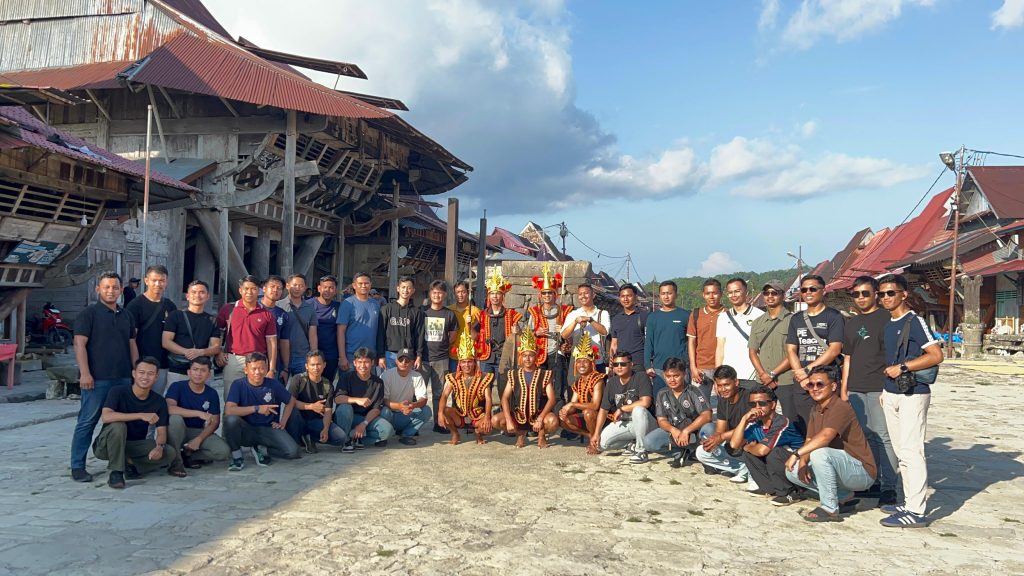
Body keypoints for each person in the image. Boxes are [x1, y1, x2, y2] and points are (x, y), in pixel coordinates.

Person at [878, 273, 943, 528]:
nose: (885, 298)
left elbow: (936, 355)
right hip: (892, 393)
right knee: (901, 452)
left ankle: (916, 511)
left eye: (890, 293)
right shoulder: (889, 324)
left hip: (913, 394)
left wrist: (904, 367)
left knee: (911, 451)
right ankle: (908, 502)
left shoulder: (914, 321)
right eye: (882, 294)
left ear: (903, 294)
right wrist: (885, 391)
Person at [784, 366, 877, 522]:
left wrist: (796, 454)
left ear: (833, 386)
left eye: (820, 384)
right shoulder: (816, 409)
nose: (814, 388)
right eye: (810, 384)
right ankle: (842, 496)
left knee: (819, 453)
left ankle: (830, 508)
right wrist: (803, 463)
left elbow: (826, 437)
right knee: (792, 470)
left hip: (861, 471)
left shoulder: (840, 407)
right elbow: (810, 440)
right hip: (839, 466)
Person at [70, 271, 138, 483]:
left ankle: (124, 463)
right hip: (97, 379)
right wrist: (85, 373)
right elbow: (79, 344)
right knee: (87, 422)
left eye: (115, 287)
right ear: (98, 289)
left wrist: (136, 371)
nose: (111, 291)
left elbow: (132, 344)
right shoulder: (88, 314)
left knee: (124, 423)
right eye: (106, 287)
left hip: (124, 378)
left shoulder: (126, 315)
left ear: (121, 290)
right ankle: (77, 466)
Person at [841, 275, 899, 507]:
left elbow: (893, 355)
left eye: (865, 293)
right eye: (856, 294)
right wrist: (844, 389)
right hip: (856, 388)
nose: (861, 298)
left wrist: (888, 388)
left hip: (879, 387)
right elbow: (847, 358)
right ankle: (872, 480)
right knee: (866, 436)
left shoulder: (887, 318)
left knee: (884, 436)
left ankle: (889, 487)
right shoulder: (851, 323)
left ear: (876, 294)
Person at [93, 357, 185, 488]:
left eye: (150, 374)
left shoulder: (159, 401)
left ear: (156, 377)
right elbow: (106, 417)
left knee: (169, 453)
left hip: (134, 446)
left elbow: (161, 432)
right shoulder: (118, 391)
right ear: (134, 373)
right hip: (106, 446)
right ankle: (116, 472)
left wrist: (159, 447)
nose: (145, 377)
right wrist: (140, 415)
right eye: (141, 372)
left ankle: (129, 463)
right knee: (118, 425)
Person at [785, 275, 844, 434]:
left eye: (813, 289)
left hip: (826, 379)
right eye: (804, 290)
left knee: (828, 425)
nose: (808, 293)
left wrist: (807, 370)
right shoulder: (796, 319)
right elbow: (791, 350)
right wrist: (801, 376)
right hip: (802, 381)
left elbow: (834, 349)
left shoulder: (834, 316)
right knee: (806, 425)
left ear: (823, 291)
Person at [223, 352, 299, 470]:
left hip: (268, 428)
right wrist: (257, 408)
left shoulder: (273, 384)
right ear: (246, 370)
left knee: (292, 451)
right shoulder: (238, 384)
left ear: (267, 369)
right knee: (230, 419)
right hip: (247, 429)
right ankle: (237, 457)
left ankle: (261, 449)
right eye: (254, 369)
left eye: (261, 368)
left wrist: (283, 422)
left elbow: (291, 401)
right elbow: (229, 410)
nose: (258, 372)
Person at [727, 385, 804, 496]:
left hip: (799, 466)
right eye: (752, 404)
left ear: (773, 404)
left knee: (774, 453)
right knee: (749, 454)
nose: (757, 407)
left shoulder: (782, 422)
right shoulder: (756, 424)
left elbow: (762, 451)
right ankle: (771, 489)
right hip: (782, 465)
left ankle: (790, 492)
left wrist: (747, 447)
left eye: (762, 403)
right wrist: (744, 420)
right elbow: (734, 444)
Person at [215, 275, 278, 404]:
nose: (249, 292)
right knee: (231, 399)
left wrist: (271, 369)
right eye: (246, 288)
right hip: (233, 359)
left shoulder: (266, 314)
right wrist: (219, 352)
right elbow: (217, 333)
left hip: (258, 360)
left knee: (256, 399)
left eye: (253, 289)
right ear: (240, 290)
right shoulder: (228, 309)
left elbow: (271, 343)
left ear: (259, 291)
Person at [492, 330, 558, 448]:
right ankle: (520, 434)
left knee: (553, 421)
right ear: (521, 357)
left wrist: (541, 417)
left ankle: (541, 435)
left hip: (538, 415)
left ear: (536, 356)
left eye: (531, 355)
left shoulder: (544, 374)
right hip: (519, 415)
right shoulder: (513, 374)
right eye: (525, 355)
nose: (527, 359)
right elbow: (505, 398)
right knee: (495, 420)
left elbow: (552, 399)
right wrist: (508, 419)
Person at [588, 351, 655, 464]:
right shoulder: (611, 382)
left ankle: (641, 451)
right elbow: (603, 410)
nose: (619, 367)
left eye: (623, 364)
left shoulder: (641, 376)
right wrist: (596, 434)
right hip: (626, 423)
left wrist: (622, 409)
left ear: (631, 365)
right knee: (601, 444)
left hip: (646, 423)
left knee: (638, 410)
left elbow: (645, 402)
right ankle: (631, 444)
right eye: (616, 364)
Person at [645, 357, 713, 467]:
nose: (672, 380)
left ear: (684, 374)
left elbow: (707, 415)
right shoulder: (662, 394)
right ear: (664, 375)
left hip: (695, 432)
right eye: (668, 376)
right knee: (649, 442)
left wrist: (686, 431)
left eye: (676, 376)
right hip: (675, 432)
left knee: (710, 429)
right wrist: (673, 430)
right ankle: (679, 452)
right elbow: (661, 420)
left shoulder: (693, 391)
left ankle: (703, 455)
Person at [165, 356, 230, 468]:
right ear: (189, 372)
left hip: (198, 431)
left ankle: (188, 455)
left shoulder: (212, 393)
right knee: (175, 419)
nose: (198, 374)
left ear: (209, 375)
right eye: (195, 369)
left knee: (223, 452)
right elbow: (170, 409)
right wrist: (199, 413)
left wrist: (199, 439)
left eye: (203, 370)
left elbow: (215, 422)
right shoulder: (177, 387)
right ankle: (176, 462)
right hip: (177, 430)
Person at [125, 265, 178, 393]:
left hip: (162, 363)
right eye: (154, 280)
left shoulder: (170, 306)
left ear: (166, 282)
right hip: (141, 363)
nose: (157, 284)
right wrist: (135, 364)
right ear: (146, 281)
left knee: (156, 398)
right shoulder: (135, 305)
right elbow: (131, 339)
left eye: (162, 280)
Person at [748, 280, 796, 421]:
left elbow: (793, 353)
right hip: (762, 380)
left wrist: (772, 374)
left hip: (785, 379)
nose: (770, 296)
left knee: (791, 418)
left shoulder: (793, 320)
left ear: (783, 295)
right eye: (766, 293)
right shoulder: (757, 322)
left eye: (774, 293)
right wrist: (763, 375)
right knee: (761, 417)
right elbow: (752, 351)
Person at [438, 328, 494, 445]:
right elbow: (444, 396)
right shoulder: (453, 377)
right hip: (459, 415)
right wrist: (439, 413)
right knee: (445, 411)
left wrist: (487, 417)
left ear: (474, 362)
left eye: (469, 362)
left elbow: (488, 399)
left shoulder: (484, 377)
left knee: (489, 426)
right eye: (463, 362)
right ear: (459, 363)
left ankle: (478, 433)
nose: (466, 365)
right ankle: (455, 433)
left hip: (477, 415)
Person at [695, 365, 752, 480]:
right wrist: (711, 440)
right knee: (701, 452)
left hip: (749, 441)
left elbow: (750, 428)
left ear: (736, 382)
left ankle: (751, 470)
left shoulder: (749, 397)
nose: (723, 389)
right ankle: (742, 468)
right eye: (719, 385)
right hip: (732, 442)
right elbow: (720, 430)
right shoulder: (722, 400)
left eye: (726, 385)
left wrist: (721, 437)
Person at [527, 264, 574, 404]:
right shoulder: (535, 312)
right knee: (539, 385)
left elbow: (572, 335)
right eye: (544, 293)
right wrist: (536, 333)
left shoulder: (565, 312)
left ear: (555, 294)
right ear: (540, 295)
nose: (547, 296)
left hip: (557, 353)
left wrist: (563, 332)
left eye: (550, 293)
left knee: (558, 386)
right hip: (540, 353)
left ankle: (557, 410)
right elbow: (527, 335)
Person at [285, 349, 345, 453]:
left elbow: (328, 410)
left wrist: (325, 429)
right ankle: (297, 440)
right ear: (306, 366)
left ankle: (310, 438)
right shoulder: (298, 379)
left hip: (315, 421)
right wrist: (311, 406)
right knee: (292, 411)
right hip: (299, 420)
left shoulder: (328, 385)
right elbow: (290, 402)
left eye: (319, 364)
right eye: (312, 365)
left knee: (341, 437)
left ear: (324, 365)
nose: (316, 368)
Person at [333, 347, 394, 449]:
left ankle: (357, 438)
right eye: (360, 362)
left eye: (366, 362)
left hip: (366, 418)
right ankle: (346, 441)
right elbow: (337, 399)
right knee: (345, 408)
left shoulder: (378, 382)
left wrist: (363, 424)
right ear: (354, 363)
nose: (363, 366)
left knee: (388, 431)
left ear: (372, 363)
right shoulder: (346, 377)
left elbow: (376, 408)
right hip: (347, 418)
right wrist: (357, 400)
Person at [163, 279, 221, 382]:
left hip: (201, 370)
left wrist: (200, 352)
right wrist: (186, 352)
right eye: (193, 292)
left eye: (202, 292)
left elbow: (216, 347)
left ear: (208, 296)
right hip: (178, 369)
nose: (197, 295)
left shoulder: (212, 320)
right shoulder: (176, 316)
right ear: (187, 296)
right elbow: (166, 342)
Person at [421, 280, 458, 432]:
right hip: (423, 358)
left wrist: (442, 346)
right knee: (418, 393)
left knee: (439, 393)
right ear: (430, 294)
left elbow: (453, 335)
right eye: (434, 292)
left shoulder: (449, 314)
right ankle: (414, 424)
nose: (437, 295)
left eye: (440, 292)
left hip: (441, 358)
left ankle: (438, 422)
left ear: (445, 295)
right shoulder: (422, 312)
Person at [476, 270, 522, 392]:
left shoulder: (511, 314)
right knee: (484, 388)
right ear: (489, 296)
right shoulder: (482, 315)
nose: (495, 296)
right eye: (492, 293)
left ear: (503, 296)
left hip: (504, 356)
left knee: (504, 388)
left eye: (498, 293)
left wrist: (518, 332)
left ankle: (504, 405)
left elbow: (520, 337)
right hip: (486, 356)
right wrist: (469, 325)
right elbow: (474, 335)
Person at [558, 332, 605, 448]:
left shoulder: (598, 379)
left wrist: (572, 404)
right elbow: (573, 405)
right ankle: (590, 435)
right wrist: (564, 411)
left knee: (588, 412)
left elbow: (595, 406)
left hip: (601, 417)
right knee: (561, 419)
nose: (581, 365)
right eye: (579, 361)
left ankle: (594, 442)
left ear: (591, 363)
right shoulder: (578, 382)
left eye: (585, 361)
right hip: (586, 415)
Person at [643, 280, 689, 394]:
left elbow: (692, 342)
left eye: (669, 293)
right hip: (659, 368)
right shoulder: (653, 317)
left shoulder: (685, 315)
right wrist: (648, 365)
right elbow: (649, 342)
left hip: (681, 367)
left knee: (683, 400)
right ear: (659, 296)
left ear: (676, 295)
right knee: (660, 400)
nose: (666, 296)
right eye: (663, 293)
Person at [716, 278, 764, 386]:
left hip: (752, 375)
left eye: (737, 291)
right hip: (728, 376)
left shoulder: (759, 315)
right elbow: (720, 348)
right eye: (730, 292)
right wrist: (718, 374)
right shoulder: (723, 317)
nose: (733, 295)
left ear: (746, 292)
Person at [381, 348, 432, 445]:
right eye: (401, 360)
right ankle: (383, 436)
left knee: (427, 411)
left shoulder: (417, 376)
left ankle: (406, 434)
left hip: (406, 412)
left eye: (407, 360)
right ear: (396, 361)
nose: (404, 363)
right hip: (390, 413)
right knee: (384, 411)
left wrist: (412, 405)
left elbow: (423, 399)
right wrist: (399, 406)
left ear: (412, 363)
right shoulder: (386, 375)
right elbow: (384, 400)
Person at [687, 279, 725, 402]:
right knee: (699, 405)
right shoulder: (696, 314)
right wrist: (693, 367)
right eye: (708, 293)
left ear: (721, 294)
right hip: (701, 368)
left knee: (725, 405)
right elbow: (691, 342)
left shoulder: (728, 314)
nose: (711, 296)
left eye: (715, 293)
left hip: (723, 366)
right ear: (703, 295)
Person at [561, 284, 611, 374]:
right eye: (580, 294)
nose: (583, 296)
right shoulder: (573, 314)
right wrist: (575, 322)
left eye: (586, 293)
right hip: (578, 362)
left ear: (593, 295)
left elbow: (605, 332)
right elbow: (564, 335)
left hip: (597, 360)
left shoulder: (602, 313)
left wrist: (590, 320)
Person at [378, 276, 425, 371]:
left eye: (409, 288)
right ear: (398, 288)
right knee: (388, 380)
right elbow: (380, 333)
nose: (405, 290)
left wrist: (419, 356)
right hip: (389, 355)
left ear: (413, 290)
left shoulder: (417, 312)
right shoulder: (386, 309)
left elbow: (419, 335)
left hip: (408, 355)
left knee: (407, 381)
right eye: (403, 287)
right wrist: (381, 355)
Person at [336, 273, 381, 373]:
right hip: (351, 356)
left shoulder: (375, 304)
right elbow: (340, 331)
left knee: (370, 383)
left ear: (370, 285)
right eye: (360, 283)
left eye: (366, 283)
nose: (363, 286)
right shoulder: (347, 303)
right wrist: (342, 357)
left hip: (370, 356)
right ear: (354, 285)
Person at [278, 274, 319, 380]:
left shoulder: (310, 308)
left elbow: (313, 334)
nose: (297, 288)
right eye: (294, 285)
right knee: (279, 388)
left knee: (303, 388)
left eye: (301, 286)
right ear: (287, 286)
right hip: (280, 356)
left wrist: (314, 355)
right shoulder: (278, 305)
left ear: (305, 288)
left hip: (302, 356)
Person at [610, 284, 649, 384]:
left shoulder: (644, 316)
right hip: (620, 363)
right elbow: (614, 344)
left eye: (629, 296)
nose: (625, 299)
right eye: (622, 296)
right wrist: (612, 364)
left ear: (635, 297)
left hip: (638, 363)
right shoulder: (616, 319)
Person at [309, 275, 341, 381]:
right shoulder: (309, 305)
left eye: (331, 288)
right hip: (312, 353)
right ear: (319, 288)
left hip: (331, 355)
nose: (328, 290)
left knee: (328, 384)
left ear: (335, 290)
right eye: (325, 287)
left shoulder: (339, 306)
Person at [261, 275, 291, 383]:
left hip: (275, 363)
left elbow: (284, 342)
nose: (275, 290)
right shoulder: (255, 309)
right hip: (254, 360)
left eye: (279, 288)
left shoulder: (283, 314)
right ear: (264, 288)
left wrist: (285, 368)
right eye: (272, 286)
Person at [447, 280, 481, 373]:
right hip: (453, 353)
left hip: (469, 356)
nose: (460, 295)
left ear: (468, 293)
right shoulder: (449, 310)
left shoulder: (475, 311)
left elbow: (477, 336)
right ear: (454, 294)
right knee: (453, 380)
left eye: (463, 292)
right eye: (458, 292)